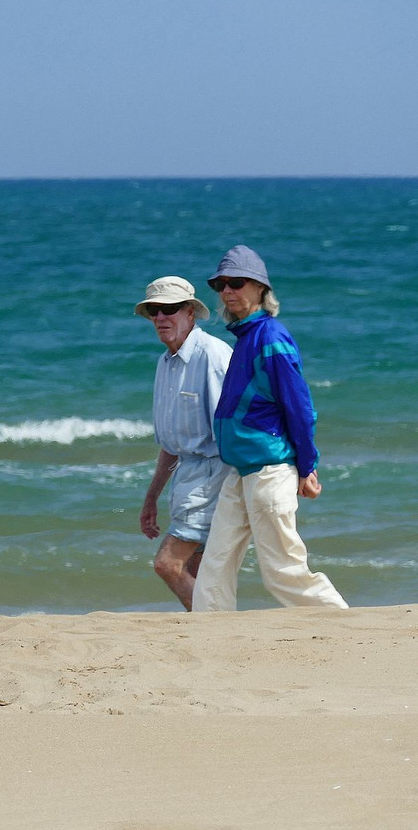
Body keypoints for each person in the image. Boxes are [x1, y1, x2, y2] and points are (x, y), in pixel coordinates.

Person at [190, 245, 348, 611]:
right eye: (221, 285)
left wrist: (306, 467)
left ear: (260, 288)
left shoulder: (271, 338)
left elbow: (300, 408)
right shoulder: (247, 338)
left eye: (237, 283)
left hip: (269, 471)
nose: (228, 291)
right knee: (215, 565)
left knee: (283, 571)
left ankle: (345, 627)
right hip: (242, 471)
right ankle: (209, 638)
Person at [135, 276, 232, 610]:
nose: (162, 317)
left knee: (168, 564)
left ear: (190, 312)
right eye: (154, 311)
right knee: (197, 571)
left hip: (215, 476)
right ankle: (214, 636)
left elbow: (236, 427)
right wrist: (152, 498)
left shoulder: (213, 357)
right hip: (186, 480)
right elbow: (171, 445)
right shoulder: (166, 364)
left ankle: (217, 625)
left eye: (171, 309)